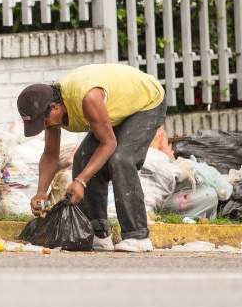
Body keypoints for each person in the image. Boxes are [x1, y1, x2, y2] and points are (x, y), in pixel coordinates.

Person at [17, 63, 166, 252]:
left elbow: (108, 144)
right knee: (83, 158)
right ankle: (99, 234)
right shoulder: (53, 109)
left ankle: (138, 236)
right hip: (117, 108)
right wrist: (41, 192)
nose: (45, 126)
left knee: (121, 159)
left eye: (44, 122)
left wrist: (81, 181)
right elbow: (50, 154)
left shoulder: (88, 98)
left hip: (146, 102)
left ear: (54, 107)